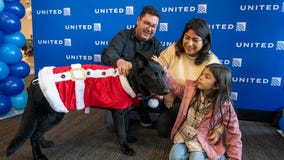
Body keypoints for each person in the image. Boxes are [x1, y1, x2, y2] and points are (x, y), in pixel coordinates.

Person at [159, 62, 242, 160]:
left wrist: (234, 156)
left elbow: (234, 131)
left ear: (217, 86)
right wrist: (163, 70)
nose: (201, 77)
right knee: (174, 157)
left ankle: (217, 157)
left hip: (201, 139)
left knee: (195, 158)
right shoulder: (191, 90)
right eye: (202, 74)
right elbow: (175, 87)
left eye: (207, 77)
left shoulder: (224, 105)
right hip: (183, 135)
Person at [156, 18, 221, 138]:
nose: (189, 43)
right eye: (187, 37)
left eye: (195, 40)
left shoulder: (212, 62)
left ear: (204, 42)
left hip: (195, 104)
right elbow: (157, 68)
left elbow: (213, 96)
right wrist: (167, 91)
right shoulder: (174, 48)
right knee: (163, 130)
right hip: (171, 97)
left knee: (177, 116)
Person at [102, 6, 163, 128]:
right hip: (120, 90)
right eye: (146, 23)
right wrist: (118, 61)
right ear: (138, 20)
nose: (149, 28)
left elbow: (162, 69)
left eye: (153, 26)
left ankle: (141, 110)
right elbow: (108, 53)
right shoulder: (123, 36)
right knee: (111, 126)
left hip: (144, 93)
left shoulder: (156, 45)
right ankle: (127, 112)